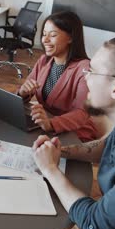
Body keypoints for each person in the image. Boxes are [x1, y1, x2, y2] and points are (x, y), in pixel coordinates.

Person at [32, 34, 115, 229]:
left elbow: (96, 226)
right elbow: (107, 147)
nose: (85, 77)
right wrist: (61, 151)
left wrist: (50, 169)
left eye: (92, 71)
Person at [17, 11, 99, 142]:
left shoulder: (84, 68)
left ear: (71, 38)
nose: (45, 40)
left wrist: (50, 124)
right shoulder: (44, 60)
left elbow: (82, 113)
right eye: (44, 34)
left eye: (53, 35)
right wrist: (22, 92)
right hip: (46, 125)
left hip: (73, 131)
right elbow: (27, 90)